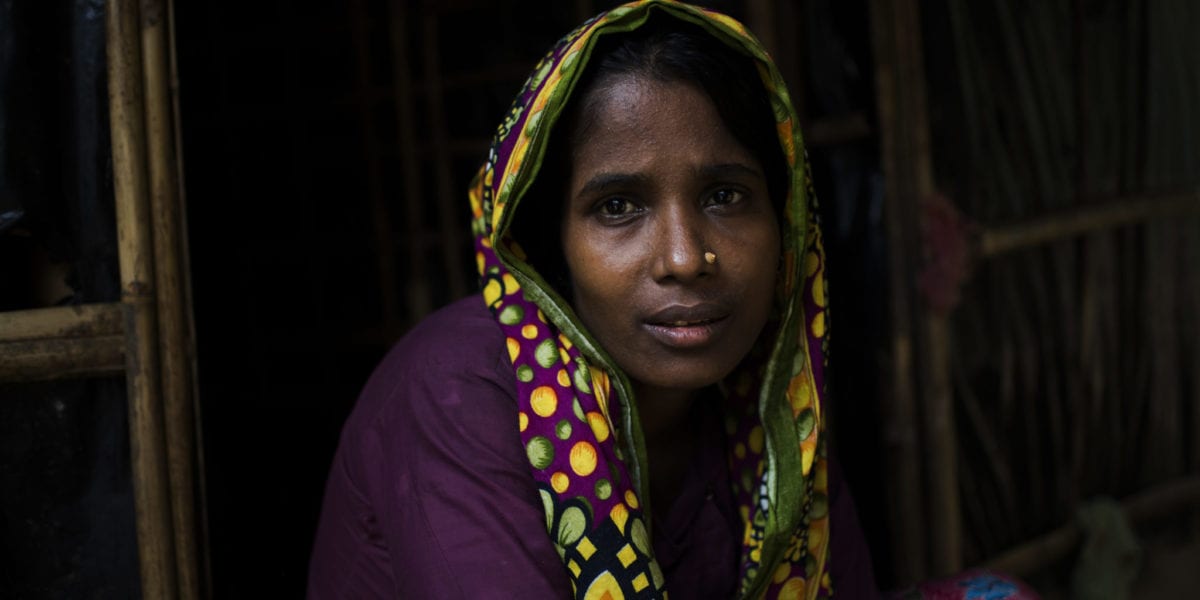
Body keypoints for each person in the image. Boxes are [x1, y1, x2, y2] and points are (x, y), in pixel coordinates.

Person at [309, 1, 879, 597]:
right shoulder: (456, 391)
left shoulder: (771, 409)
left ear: (785, 222)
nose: (684, 259)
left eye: (725, 196)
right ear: (549, 243)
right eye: (618, 207)